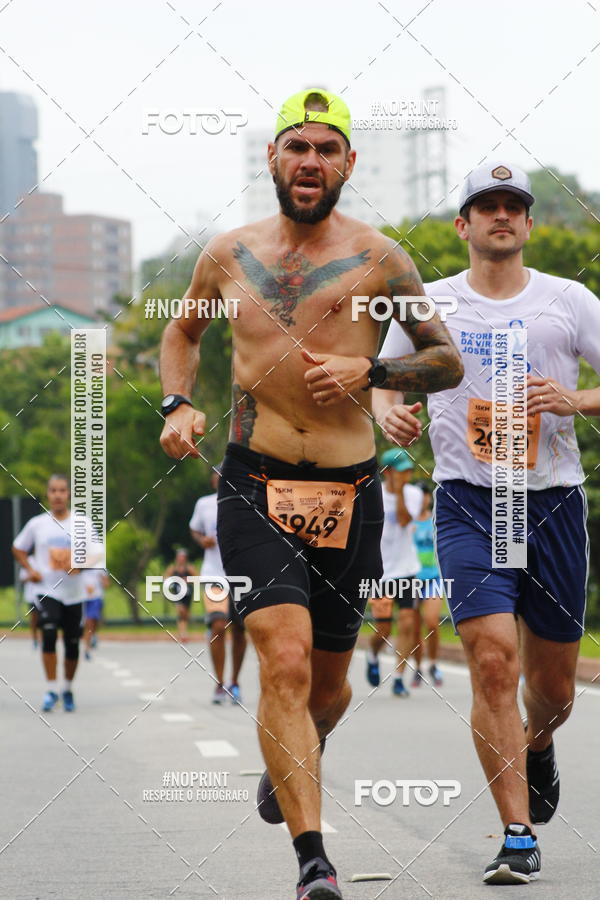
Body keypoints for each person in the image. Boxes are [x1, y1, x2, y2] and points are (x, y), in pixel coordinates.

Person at [159, 87, 462, 899]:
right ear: (274, 158)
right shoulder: (227, 254)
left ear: (349, 164)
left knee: (329, 689)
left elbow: (446, 361)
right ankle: (313, 862)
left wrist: (376, 370)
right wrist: (177, 401)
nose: (311, 162)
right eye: (298, 147)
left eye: (328, 150)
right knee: (283, 660)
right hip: (254, 480)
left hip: (349, 489)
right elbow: (182, 329)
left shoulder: (381, 259)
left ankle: (288, 757)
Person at [374, 161, 600, 885]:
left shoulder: (569, 301)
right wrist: (390, 413)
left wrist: (574, 399)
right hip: (472, 501)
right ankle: (517, 832)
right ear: (462, 225)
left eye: (514, 206)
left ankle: (538, 744)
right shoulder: (428, 304)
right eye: (486, 205)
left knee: (556, 690)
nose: (501, 215)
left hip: (552, 502)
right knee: (494, 660)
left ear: (529, 225)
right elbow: (379, 387)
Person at [12, 474, 97, 712]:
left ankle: (67, 688)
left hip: (75, 593)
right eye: (53, 491)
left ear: (69, 494)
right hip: (46, 590)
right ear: (48, 495)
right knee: (48, 633)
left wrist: (80, 564)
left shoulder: (83, 523)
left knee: (72, 644)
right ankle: (51, 689)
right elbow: (18, 548)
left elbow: (96, 553)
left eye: (62, 490)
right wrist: (31, 569)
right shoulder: (37, 524)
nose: (58, 495)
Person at [365, 448, 423, 697]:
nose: (406, 476)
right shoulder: (371, 494)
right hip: (381, 573)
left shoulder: (413, 493)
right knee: (384, 629)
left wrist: (399, 492)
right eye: (401, 472)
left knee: (408, 623)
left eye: (409, 471)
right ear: (387, 472)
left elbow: (403, 520)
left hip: (407, 569)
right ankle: (373, 653)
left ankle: (399, 676)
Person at [190, 471, 247, 704]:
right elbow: (194, 529)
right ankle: (220, 682)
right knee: (218, 624)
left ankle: (235, 681)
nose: (222, 478)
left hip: (242, 574)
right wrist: (201, 540)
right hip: (213, 573)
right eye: (217, 475)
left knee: (240, 629)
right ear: (213, 480)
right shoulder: (204, 504)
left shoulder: (245, 501)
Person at [411, 483, 444, 687]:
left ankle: (433, 663)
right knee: (415, 629)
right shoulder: (406, 520)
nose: (422, 498)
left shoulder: (437, 519)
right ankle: (418, 667)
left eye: (424, 495)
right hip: (411, 580)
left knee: (431, 622)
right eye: (418, 495)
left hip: (434, 579)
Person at [163, 549, 198, 644]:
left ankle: (184, 633)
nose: (181, 559)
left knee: (185, 614)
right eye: (180, 557)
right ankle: (183, 635)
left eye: (183, 557)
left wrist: (187, 580)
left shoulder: (189, 568)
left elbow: (198, 578)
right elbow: (165, 577)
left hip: (187, 594)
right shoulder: (173, 568)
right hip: (177, 594)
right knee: (180, 611)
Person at [83, 568, 109, 660]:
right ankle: (87, 649)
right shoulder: (78, 561)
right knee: (88, 623)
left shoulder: (101, 567)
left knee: (94, 622)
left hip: (96, 598)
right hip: (81, 598)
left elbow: (106, 584)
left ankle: (93, 635)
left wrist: (102, 581)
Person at [18, 556, 41, 649]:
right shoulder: (28, 561)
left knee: (45, 619)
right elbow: (22, 578)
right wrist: (32, 577)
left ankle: (44, 639)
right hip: (32, 595)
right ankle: (35, 639)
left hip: (46, 595)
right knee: (34, 618)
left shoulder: (46, 557)